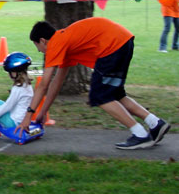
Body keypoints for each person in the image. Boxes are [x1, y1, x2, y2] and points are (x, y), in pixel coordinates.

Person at [17, 17, 170, 150]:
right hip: (123, 41)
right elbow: (57, 82)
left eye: (38, 47)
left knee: (99, 97)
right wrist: (42, 113)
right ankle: (155, 123)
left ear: (43, 41)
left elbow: (44, 84)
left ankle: (140, 134)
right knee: (116, 94)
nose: (40, 52)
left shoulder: (56, 43)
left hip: (112, 46)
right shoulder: (65, 42)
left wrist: (28, 116)